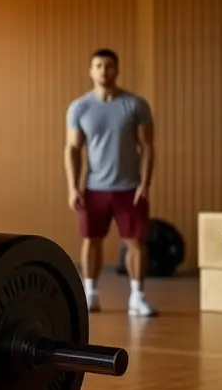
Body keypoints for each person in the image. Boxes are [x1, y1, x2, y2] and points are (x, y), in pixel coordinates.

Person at [64, 48, 156, 317]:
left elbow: (147, 146)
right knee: (91, 240)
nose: (104, 71)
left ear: (117, 70)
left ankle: (137, 297)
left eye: (109, 66)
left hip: (130, 188)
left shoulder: (135, 105)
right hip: (94, 189)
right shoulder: (80, 107)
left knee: (135, 242)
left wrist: (145, 183)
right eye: (99, 66)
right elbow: (72, 148)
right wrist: (72, 186)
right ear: (91, 71)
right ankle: (90, 294)